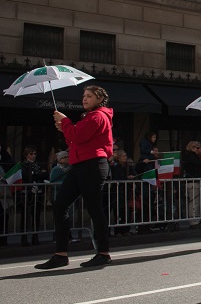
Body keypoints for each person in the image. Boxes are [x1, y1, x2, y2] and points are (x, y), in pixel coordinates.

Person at [35, 85, 114, 269]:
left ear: (100, 98)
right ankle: (60, 254)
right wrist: (65, 127)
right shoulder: (90, 117)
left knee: (94, 209)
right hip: (80, 165)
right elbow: (75, 140)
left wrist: (65, 121)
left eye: (89, 96)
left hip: (93, 165)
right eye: (84, 96)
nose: (84, 99)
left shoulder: (98, 116)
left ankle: (103, 253)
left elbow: (77, 136)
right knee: (60, 205)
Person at [17, 146, 47, 246]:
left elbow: (44, 175)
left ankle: (35, 237)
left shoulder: (38, 164)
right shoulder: (23, 165)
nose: (33, 156)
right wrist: (36, 174)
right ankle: (24, 238)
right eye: (31, 154)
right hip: (26, 193)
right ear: (26, 155)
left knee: (36, 216)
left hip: (37, 193)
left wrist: (37, 174)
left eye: (34, 154)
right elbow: (25, 176)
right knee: (25, 217)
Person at [182, 140, 201, 228]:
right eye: (197, 147)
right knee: (194, 202)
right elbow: (196, 164)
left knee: (198, 202)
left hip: (196, 181)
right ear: (192, 148)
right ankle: (194, 222)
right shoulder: (190, 155)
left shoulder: (195, 156)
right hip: (192, 181)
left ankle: (198, 219)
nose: (199, 149)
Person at [109, 149, 136, 236]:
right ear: (119, 158)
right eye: (123, 156)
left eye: (126, 156)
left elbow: (135, 174)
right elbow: (117, 177)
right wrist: (127, 178)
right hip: (117, 192)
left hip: (126, 191)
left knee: (126, 211)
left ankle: (126, 229)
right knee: (118, 211)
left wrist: (132, 177)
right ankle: (118, 231)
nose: (125, 158)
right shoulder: (115, 167)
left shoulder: (128, 166)